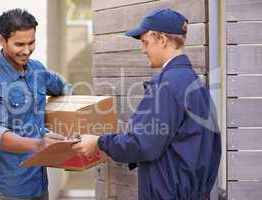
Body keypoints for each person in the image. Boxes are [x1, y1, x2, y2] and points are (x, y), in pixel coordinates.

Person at [73, 8, 221, 200]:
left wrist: (99, 143)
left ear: (162, 39)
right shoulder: (195, 83)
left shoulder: (166, 85)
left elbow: (142, 143)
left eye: (145, 42)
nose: (143, 49)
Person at [0, 8, 72, 200]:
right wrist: (39, 144)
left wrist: (65, 117)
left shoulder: (36, 68)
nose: (27, 50)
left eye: (31, 43)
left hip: (39, 185)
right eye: (19, 44)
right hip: (9, 189)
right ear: (2, 41)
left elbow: (63, 88)